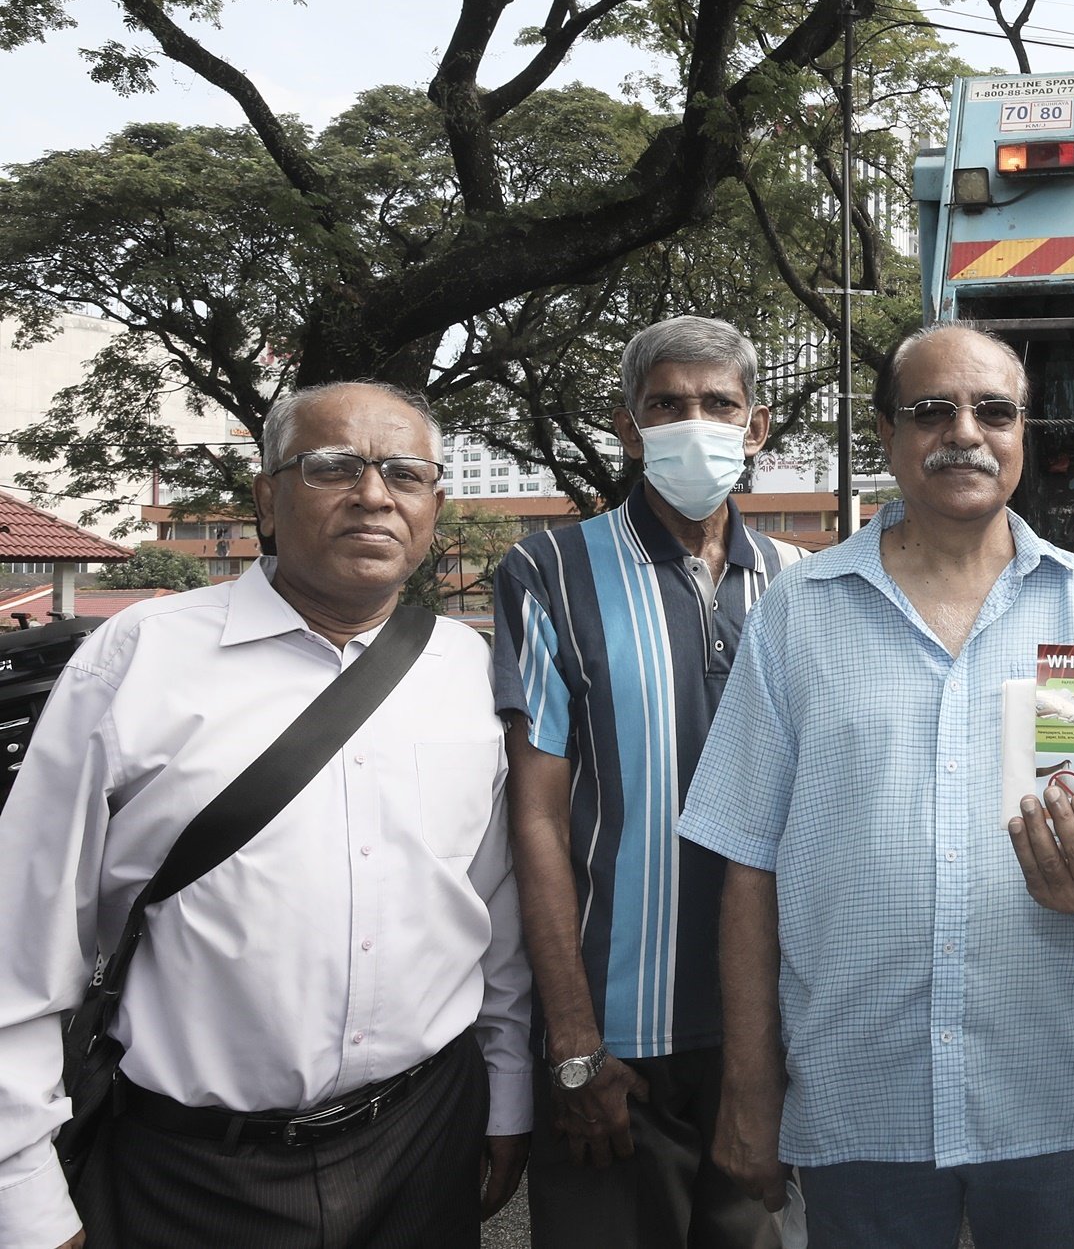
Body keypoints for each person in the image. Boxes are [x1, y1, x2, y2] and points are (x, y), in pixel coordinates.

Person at [0, 382, 531, 1249]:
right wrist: (24, 1197)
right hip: (194, 1174)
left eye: (404, 472)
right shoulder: (139, 657)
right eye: (332, 467)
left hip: (421, 1144)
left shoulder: (463, 670)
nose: (372, 494)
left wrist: (506, 1095)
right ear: (266, 500)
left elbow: (491, 912)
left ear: (434, 504)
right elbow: (21, 940)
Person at [678, 322, 1074, 1249]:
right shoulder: (799, 613)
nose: (964, 432)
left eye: (994, 411)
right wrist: (750, 1084)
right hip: (860, 1097)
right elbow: (749, 864)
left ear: (1023, 435)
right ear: (889, 435)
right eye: (933, 409)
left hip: (1052, 1089)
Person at [492, 317, 801, 1249]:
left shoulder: (802, 582)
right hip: (615, 1035)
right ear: (628, 426)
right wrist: (576, 1045)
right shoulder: (547, 568)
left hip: (766, 1032)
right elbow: (535, 816)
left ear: (757, 428)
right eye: (666, 403)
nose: (692, 422)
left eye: (718, 404)